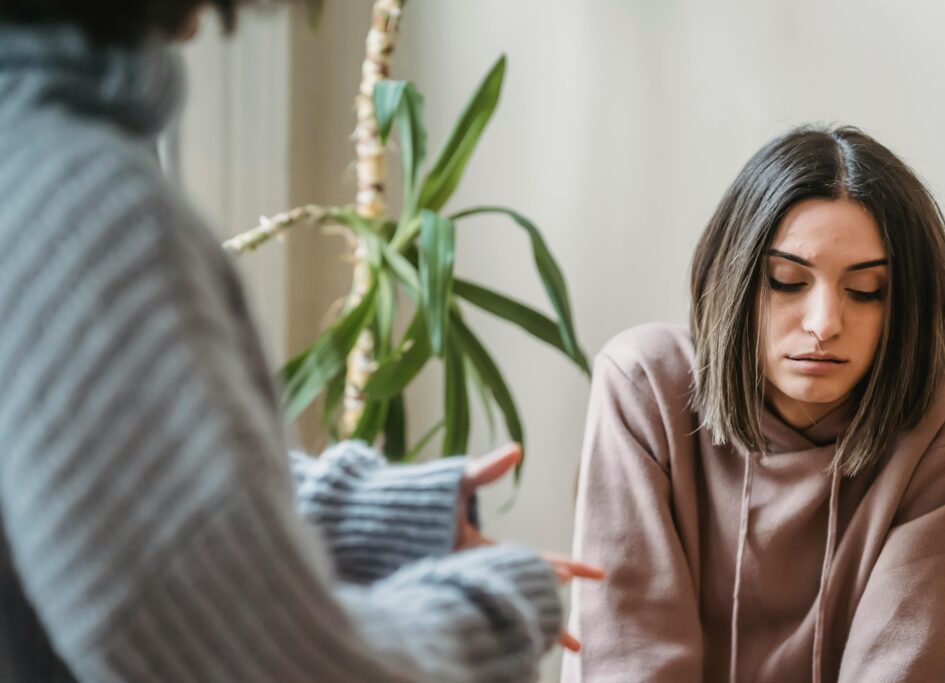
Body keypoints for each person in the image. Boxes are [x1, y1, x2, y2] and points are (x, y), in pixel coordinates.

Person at [0, 1, 601, 681]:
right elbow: (280, 666)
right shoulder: (82, 210)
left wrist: (354, 511)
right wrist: (502, 601)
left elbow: (95, 494)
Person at [562, 125, 945, 682]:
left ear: (905, 301)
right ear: (731, 282)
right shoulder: (643, 388)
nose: (825, 323)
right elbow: (626, 658)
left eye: (865, 291)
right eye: (785, 281)